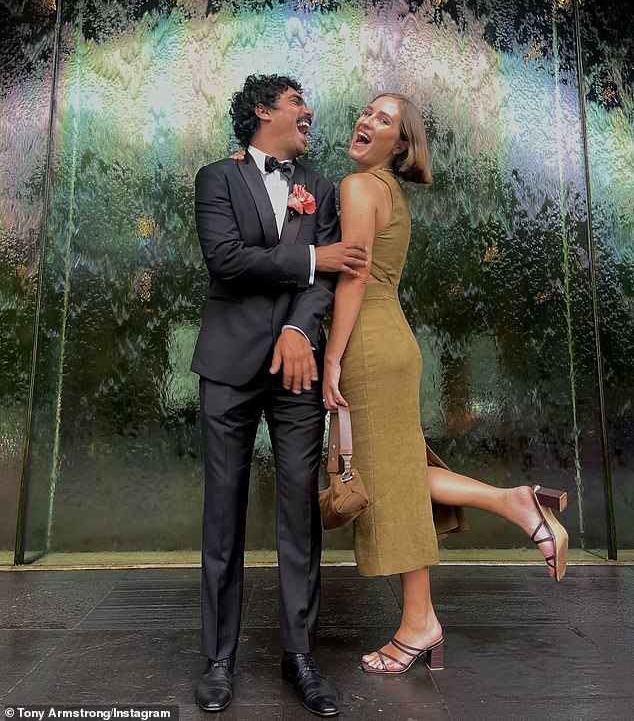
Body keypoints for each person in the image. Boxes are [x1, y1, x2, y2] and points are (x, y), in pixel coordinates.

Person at [321, 92, 569, 674]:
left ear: (400, 146)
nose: (366, 121)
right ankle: (514, 503)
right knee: (402, 472)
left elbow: (353, 277)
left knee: (391, 482)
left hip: (367, 343)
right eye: (366, 111)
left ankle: (419, 623)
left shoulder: (359, 188)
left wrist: (332, 358)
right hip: (390, 338)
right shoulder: (390, 193)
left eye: (384, 120)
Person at [191, 73, 367, 715]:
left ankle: (300, 656)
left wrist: (298, 327)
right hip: (229, 365)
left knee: (299, 510)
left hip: (298, 372)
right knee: (223, 513)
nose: (309, 111)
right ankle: (217, 658)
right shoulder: (216, 178)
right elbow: (227, 260)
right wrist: (315, 259)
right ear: (264, 112)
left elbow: (336, 277)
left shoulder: (318, 187)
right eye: (297, 103)